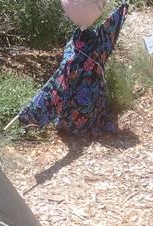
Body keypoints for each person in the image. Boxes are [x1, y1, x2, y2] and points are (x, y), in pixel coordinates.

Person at [17, 2, 129, 136]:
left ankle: (74, 122)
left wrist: (30, 114)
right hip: (92, 105)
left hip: (81, 112)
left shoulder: (77, 48)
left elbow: (56, 86)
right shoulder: (99, 42)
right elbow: (113, 25)